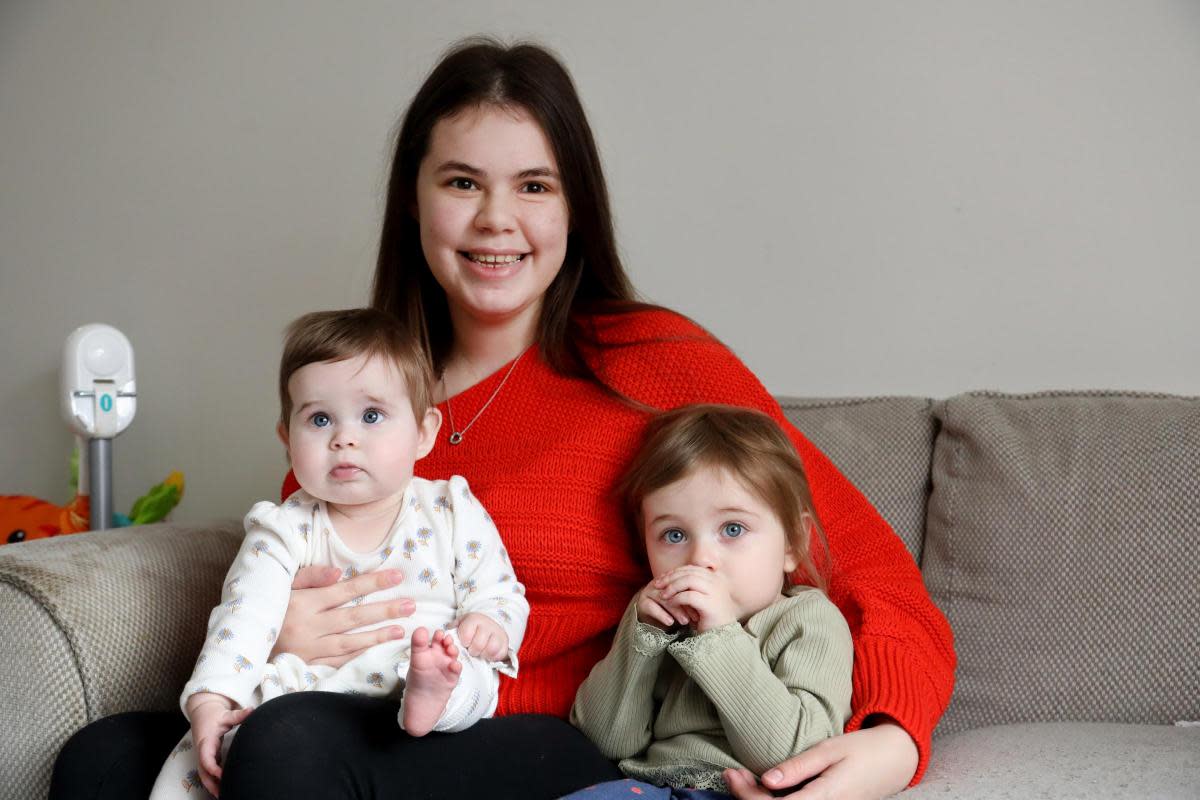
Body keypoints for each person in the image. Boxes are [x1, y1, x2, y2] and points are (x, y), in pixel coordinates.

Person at [52, 37, 955, 800]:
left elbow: (869, 569)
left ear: (574, 207)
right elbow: (298, 572)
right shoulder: (362, 391)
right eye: (461, 182)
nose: (496, 221)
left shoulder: (653, 361)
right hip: (354, 703)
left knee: (287, 748)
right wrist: (275, 633)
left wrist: (892, 739)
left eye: (534, 186)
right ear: (415, 200)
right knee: (99, 760)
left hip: (554, 735)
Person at [148, 308, 529, 798]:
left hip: (427, 659)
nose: (344, 437)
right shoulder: (284, 528)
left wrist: (490, 626)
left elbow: (500, 590)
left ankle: (430, 695)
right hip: (312, 691)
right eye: (320, 418)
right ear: (288, 439)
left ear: (423, 432)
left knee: (471, 673)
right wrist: (210, 703)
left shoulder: (450, 507)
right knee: (207, 755)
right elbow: (243, 619)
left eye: (372, 416)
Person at [565, 404, 853, 799]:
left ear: (792, 543)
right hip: (646, 785)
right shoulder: (661, 621)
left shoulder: (808, 620)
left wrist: (719, 636)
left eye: (732, 529)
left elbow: (791, 755)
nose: (700, 559)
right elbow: (607, 742)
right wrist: (641, 638)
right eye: (674, 535)